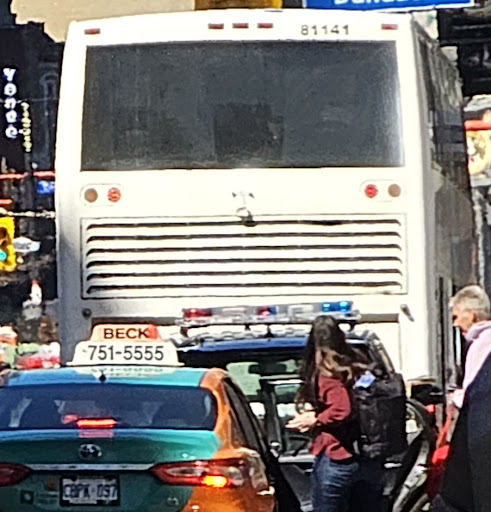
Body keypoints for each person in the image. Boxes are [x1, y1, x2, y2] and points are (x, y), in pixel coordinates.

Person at [286, 316, 366, 512]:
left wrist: (315, 419)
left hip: (337, 456)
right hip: (365, 454)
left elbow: (341, 409)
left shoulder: (328, 373)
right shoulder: (356, 365)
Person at [449, 285, 491, 408]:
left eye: (456, 317)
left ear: (470, 315)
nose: (455, 324)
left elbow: (474, 392)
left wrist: (454, 397)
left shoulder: (482, 344)